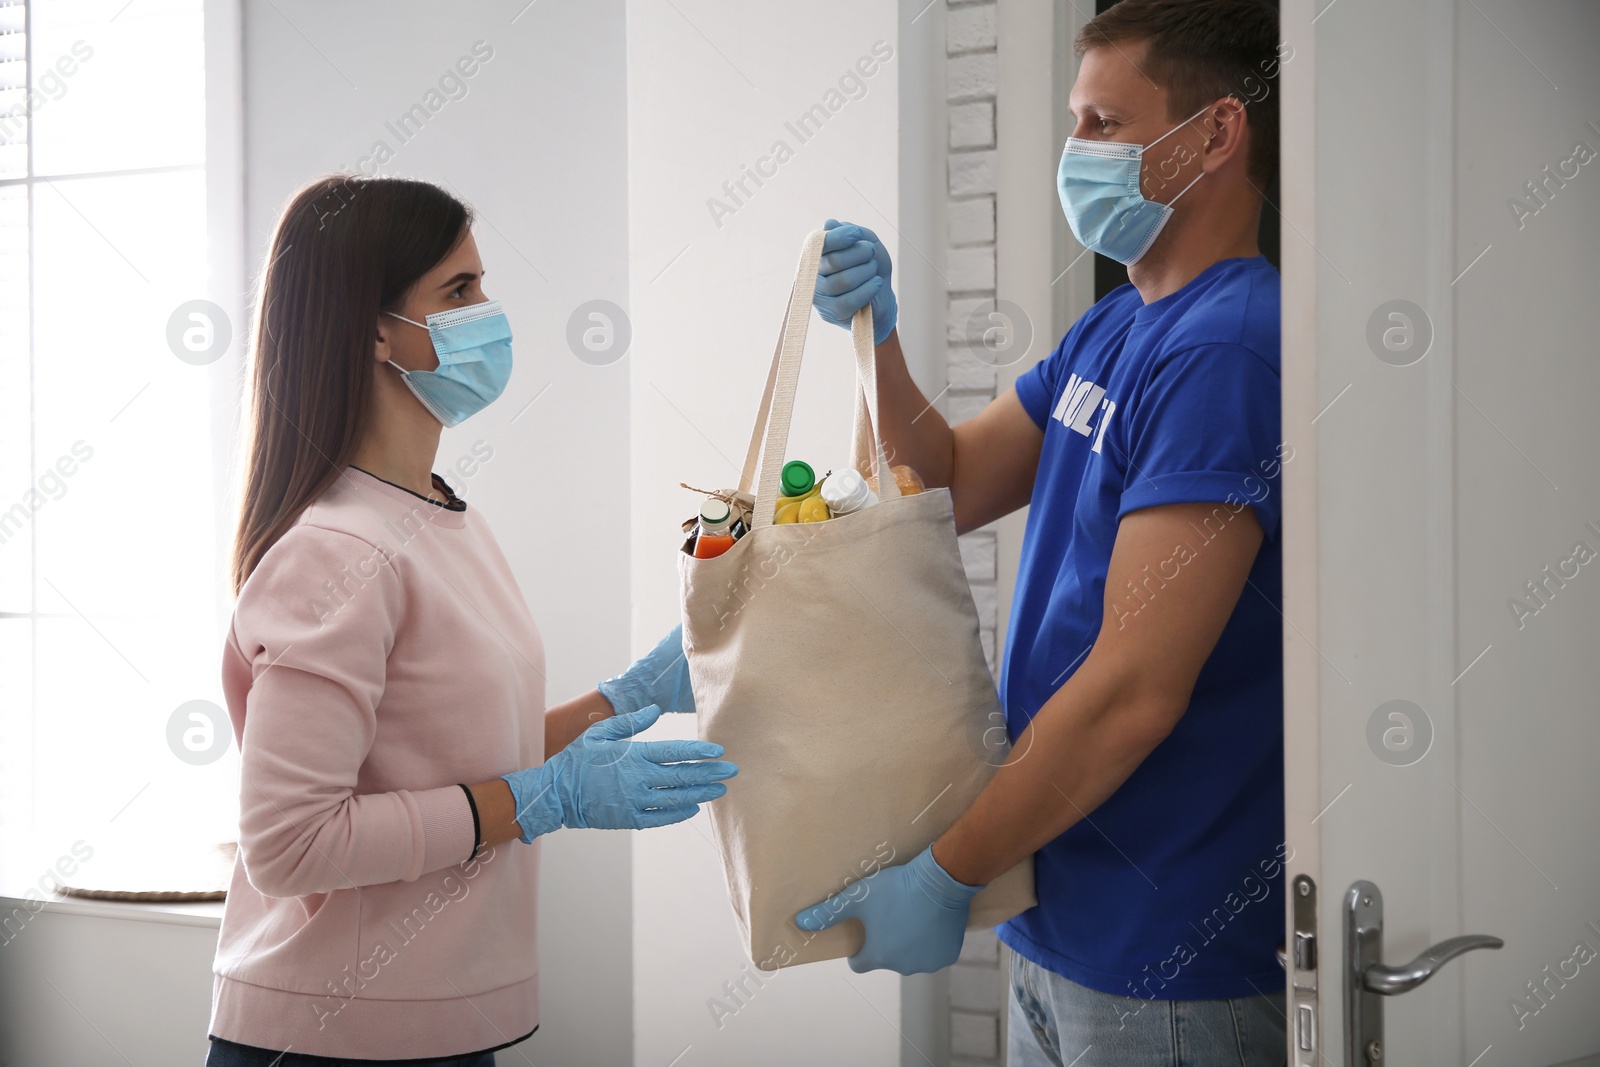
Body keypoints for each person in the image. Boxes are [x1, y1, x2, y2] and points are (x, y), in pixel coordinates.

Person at [794, 1, 1290, 1063]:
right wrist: (874, 333)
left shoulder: (1231, 347)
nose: (1078, 153)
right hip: (1059, 912)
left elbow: (1133, 691)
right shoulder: (1116, 324)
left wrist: (945, 870)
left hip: (1169, 947)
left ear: (1213, 132)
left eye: (1106, 123)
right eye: (1077, 122)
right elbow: (950, 480)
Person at [206, 175, 737, 1066]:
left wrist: (615, 701)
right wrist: (543, 800)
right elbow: (291, 845)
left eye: (482, 285)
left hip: (442, 1023)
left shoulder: (443, 517)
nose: (490, 313)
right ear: (375, 329)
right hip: (330, 1037)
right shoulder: (335, 549)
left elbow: (439, 751)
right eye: (459, 292)